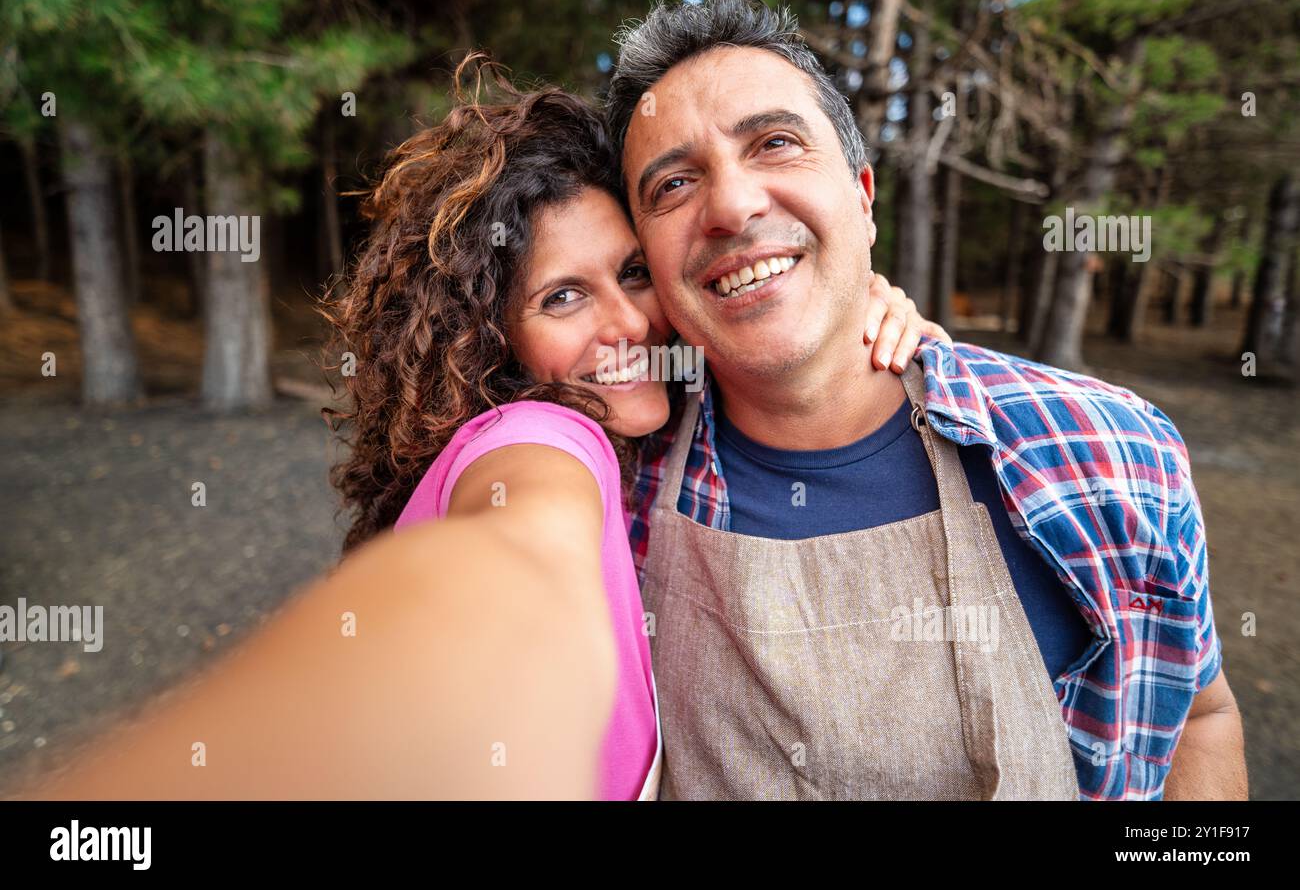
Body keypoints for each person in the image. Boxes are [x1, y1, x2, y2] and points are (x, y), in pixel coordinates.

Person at [10, 53, 942, 801]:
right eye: (564, 295)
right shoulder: (543, 443)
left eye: (631, 274)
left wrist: (867, 309)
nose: (626, 324)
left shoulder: (657, 429)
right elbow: (513, 567)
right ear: (494, 339)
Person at [605, 0, 1247, 800]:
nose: (731, 206)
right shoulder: (613, 489)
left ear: (864, 198)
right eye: (672, 186)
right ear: (646, 265)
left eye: (774, 142)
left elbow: (1199, 715)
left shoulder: (1110, 452)